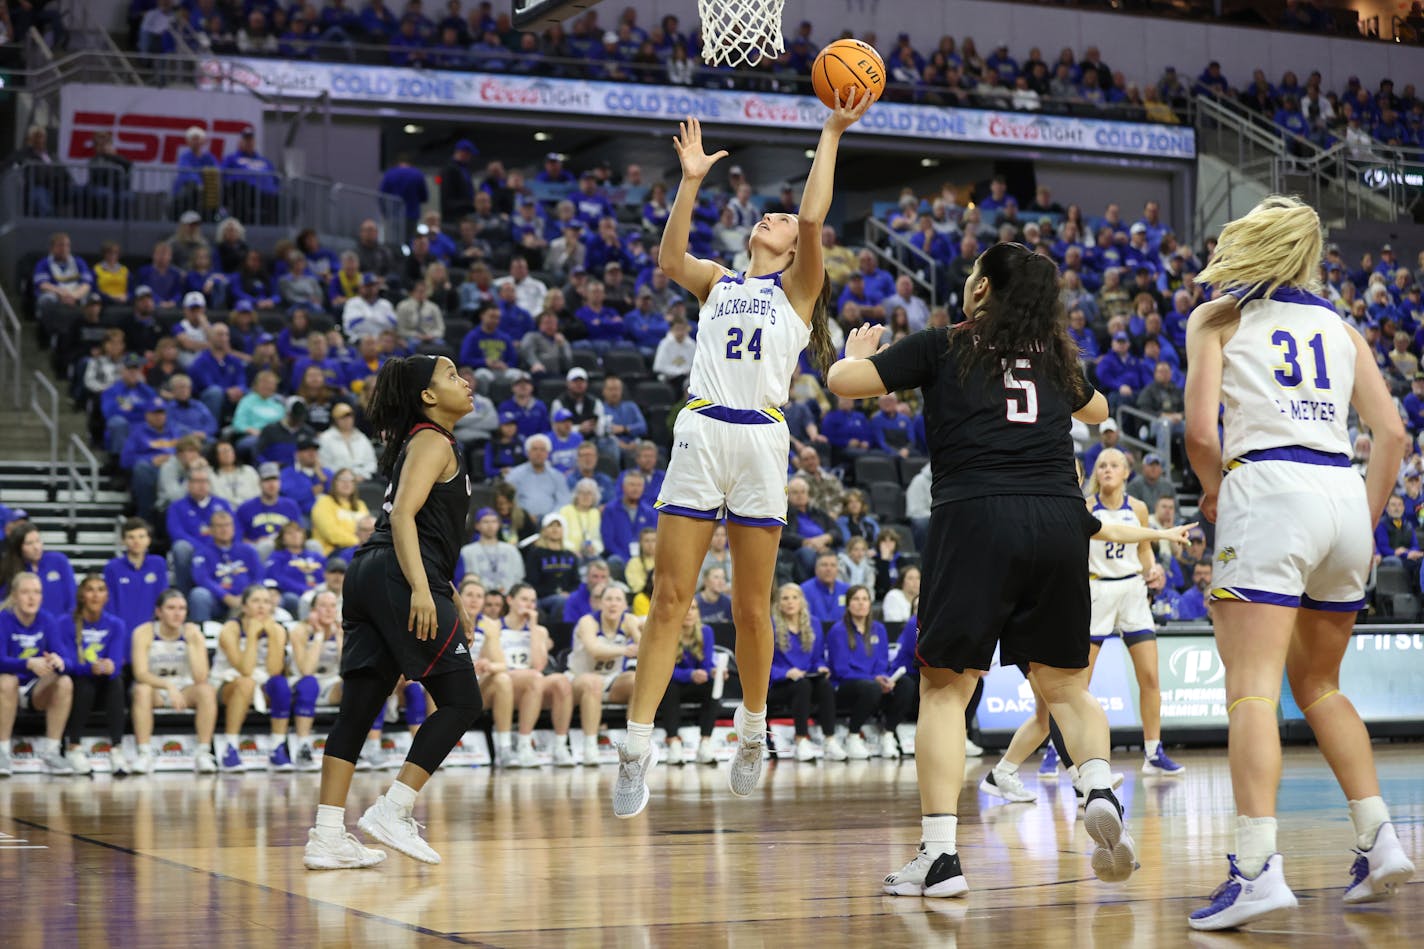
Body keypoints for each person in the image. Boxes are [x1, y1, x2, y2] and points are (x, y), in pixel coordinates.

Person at [827, 241, 1136, 899]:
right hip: (1058, 519)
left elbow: (841, 384)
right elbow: (1100, 411)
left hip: (976, 518)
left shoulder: (945, 344)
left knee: (945, 688)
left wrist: (856, 354)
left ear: (981, 291)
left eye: (974, 274)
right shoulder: (1054, 358)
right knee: (1066, 687)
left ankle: (940, 858)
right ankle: (1099, 783)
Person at [612, 99, 867, 816]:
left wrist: (830, 132)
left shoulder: (798, 290)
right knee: (668, 601)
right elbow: (669, 258)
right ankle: (636, 749)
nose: (777, 219)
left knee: (754, 609)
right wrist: (689, 180)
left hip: (760, 437)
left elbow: (815, 218)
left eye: (783, 221)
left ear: (792, 248)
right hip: (699, 430)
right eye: (774, 215)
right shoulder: (718, 280)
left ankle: (752, 729)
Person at [1183, 197, 1415, 929]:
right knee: (1319, 683)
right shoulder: (1343, 328)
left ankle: (1255, 868)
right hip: (1343, 490)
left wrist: (1217, 490)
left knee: (1252, 690)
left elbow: (1197, 432)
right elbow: (1394, 435)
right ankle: (1380, 838)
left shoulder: (1217, 317)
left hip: (1270, 486)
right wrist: (1366, 522)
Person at [303, 353, 479, 870]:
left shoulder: (418, 442)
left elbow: (419, 524)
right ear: (427, 396)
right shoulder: (432, 440)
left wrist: (442, 590)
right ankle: (394, 808)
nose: (463, 382)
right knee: (463, 700)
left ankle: (327, 835)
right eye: (450, 376)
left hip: (371, 574)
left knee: (359, 706)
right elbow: (403, 515)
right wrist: (424, 591)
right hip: (400, 575)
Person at [1083, 448, 1185, 775]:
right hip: (1097, 588)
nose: (1107, 470)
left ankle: (1153, 752)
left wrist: (1153, 569)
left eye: (1114, 465)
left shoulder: (1138, 508)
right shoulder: (1086, 507)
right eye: (1102, 466)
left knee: (1151, 677)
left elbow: (1144, 551)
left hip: (1132, 591)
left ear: (1128, 472)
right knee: (1079, 683)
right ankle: (1060, 751)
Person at [127, 589, 220, 774]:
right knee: (141, 690)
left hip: (184, 690)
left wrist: (193, 643)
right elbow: (140, 673)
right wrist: (168, 686)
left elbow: (201, 677)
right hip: (156, 689)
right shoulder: (143, 632)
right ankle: (144, 753)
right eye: (171, 608)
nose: (178, 613)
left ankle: (203, 753)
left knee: (207, 691)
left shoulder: (193, 633)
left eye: (182, 609)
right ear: (159, 612)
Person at [0, 573, 76, 775]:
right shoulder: (3, 619)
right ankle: (2, 753)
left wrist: (60, 662)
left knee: (65, 681)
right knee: (7, 680)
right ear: (15, 595)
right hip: (8, 688)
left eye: (37, 593)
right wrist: (28, 663)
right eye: (25, 592)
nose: (31, 598)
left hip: (35, 691)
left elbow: (69, 662)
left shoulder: (48, 620)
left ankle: (51, 752)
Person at [494, 582, 575, 766]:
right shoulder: (496, 627)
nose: (529, 605)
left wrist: (533, 627)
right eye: (524, 599)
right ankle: (523, 745)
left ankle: (560, 747)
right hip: (504, 682)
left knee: (561, 681)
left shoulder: (539, 630)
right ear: (510, 600)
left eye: (532, 601)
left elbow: (539, 664)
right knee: (534, 679)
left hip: (532, 681)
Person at [211, 586, 291, 771]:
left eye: (266, 602)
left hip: (261, 682)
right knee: (246, 682)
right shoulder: (230, 629)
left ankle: (277, 748)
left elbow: (274, 670)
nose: (262, 606)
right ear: (245, 607)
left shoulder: (277, 630)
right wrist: (253, 637)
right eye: (256, 601)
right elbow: (246, 669)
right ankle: (230, 747)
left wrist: (272, 636)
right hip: (227, 683)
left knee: (280, 684)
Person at [61, 575, 130, 775]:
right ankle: (74, 747)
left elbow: (116, 662)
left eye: (100, 590)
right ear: (82, 595)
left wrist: (110, 666)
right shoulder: (66, 622)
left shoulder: (116, 624)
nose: (95, 595)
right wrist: (90, 668)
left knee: (116, 681)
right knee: (84, 683)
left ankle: (117, 749)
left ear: (107, 596)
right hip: (78, 684)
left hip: (105, 684)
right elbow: (69, 663)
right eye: (90, 589)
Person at [767, 583, 843, 761]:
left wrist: (820, 667)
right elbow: (762, 665)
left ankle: (829, 739)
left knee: (824, 684)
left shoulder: (814, 623)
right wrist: (785, 673)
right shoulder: (770, 625)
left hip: (806, 679)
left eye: (795, 598)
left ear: (802, 601)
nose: (790, 602)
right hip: (778, 685)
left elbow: (817, 658)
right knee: (802, 686)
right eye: (785, 598)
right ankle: (801, 740)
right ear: (777, 603)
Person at [826, 585, 900, 759]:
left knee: (905, 685)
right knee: (871, 687)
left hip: (872, 683)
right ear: (848, 604)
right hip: (844, 686)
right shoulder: (838, 630)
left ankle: (888, 734)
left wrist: (883, 678)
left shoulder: (879, 629)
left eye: (865, 599)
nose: (861, 604)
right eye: (856, 599)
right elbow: (841, 670)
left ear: (870, 603)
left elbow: (882, 662)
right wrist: (874, 679)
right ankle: (852, 736)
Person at [570, 584, 641, 766]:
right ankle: (590, 746)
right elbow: (595, 650)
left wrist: (634, 630)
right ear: (600, 603)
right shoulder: (588, 622)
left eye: (618, 600)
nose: (613, 604)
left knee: (636, 681)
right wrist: (624, 649)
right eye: (608, 599)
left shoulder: (628, 621)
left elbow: (646, 650)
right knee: (593, 683)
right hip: (578, 678)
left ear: (625, 605)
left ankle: (634, 744)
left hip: (609, 679)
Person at [456, 578, 515, 766]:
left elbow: (502, 664)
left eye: (479, 596)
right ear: (458, 597)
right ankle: (435, 747)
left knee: (503, 680)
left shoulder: (489, 625)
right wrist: (467, 666)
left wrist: (487, 665)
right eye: (469, 595)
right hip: (449, 681)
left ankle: (504, 748)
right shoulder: (447, 619)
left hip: (477, 685)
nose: (474, 600)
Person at [657, 601, 719, 765]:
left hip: (696, 683)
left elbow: (706, 665)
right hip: (674, 682)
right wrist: (690, 674)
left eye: (694, 608)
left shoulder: (706, 632)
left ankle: (705, 742)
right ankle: (673, 742)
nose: (689, 613)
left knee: (714, 686)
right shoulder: (668, 632)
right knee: (668, 688)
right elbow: (664, 671)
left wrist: (713, 672)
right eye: (685, 609)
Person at [104, 517, 168, 636]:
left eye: (141, 536)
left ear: (149, 539)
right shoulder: (112, 567)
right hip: (122, 632)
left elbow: (163, 597)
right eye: (131, 537)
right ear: (123, 540)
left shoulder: (158, 564)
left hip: (151, 631)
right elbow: (110, 603)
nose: (136, 541)